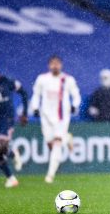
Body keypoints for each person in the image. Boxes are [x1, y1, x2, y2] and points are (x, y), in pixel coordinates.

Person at [31, 55, 81, 183]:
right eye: (52, 63)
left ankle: (50, 175)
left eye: (57, 63)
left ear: (61, 65)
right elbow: (36, 94)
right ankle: (67, 138)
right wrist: (35, 107)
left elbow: (76, 94)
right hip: (46, 116)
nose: (55, 66)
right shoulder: (42, 79)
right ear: (49, 65)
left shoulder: (67, 79)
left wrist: (75, 105)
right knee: (49, 142)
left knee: (57, 143)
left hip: (61, 116)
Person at [0, 60, 27, 188]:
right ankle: (11, 178)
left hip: (6, 119)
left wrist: (24, 112)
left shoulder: (6, 81)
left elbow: (23, 92)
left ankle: (13, 152)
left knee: (0, 146)